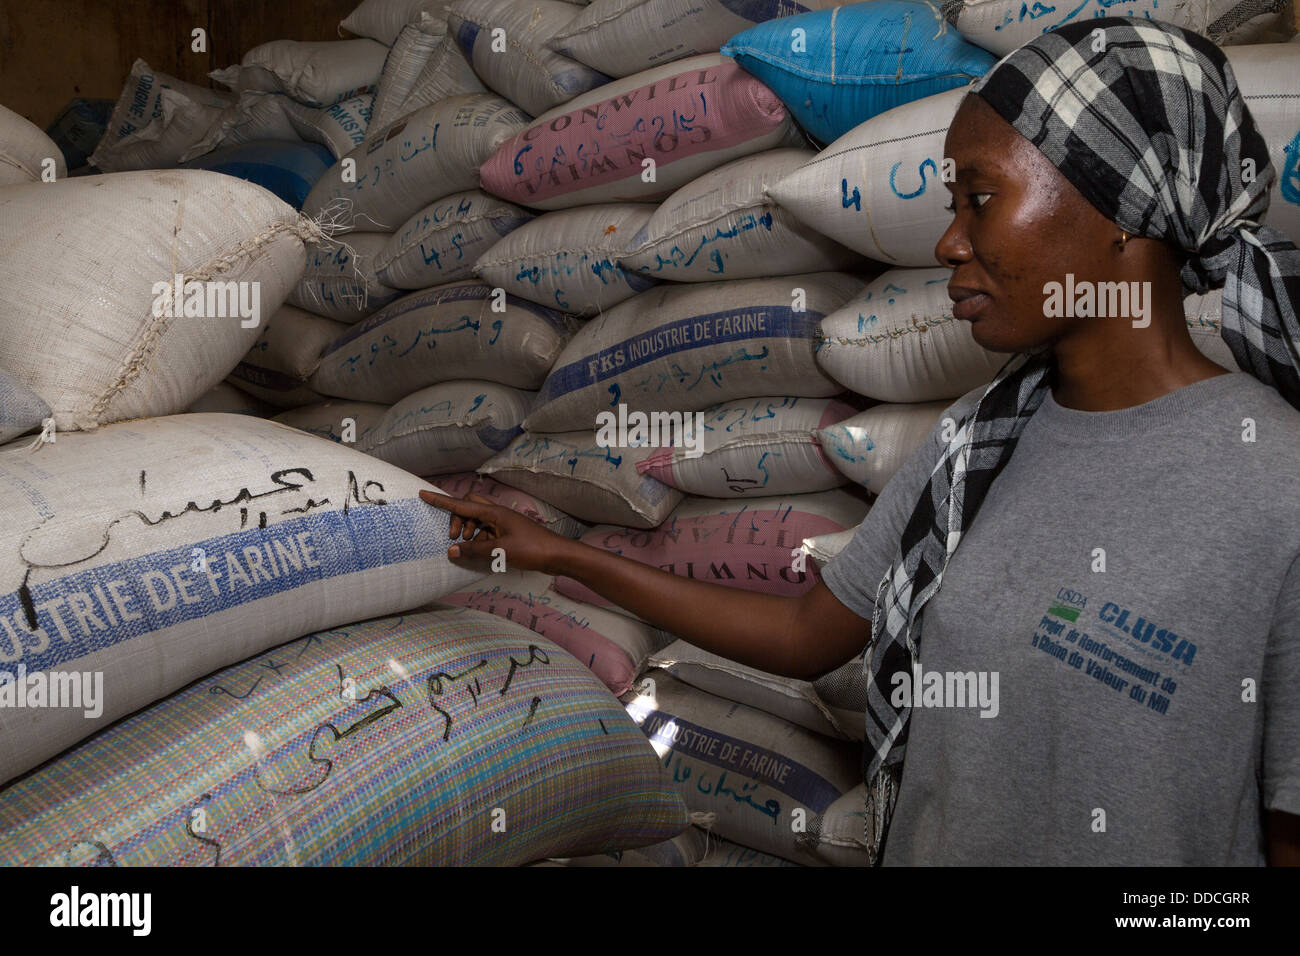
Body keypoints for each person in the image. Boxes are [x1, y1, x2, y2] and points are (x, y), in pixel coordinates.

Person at [422, 17, 1300, 866]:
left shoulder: (1276, 485)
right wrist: (560, 553)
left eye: (982, 199)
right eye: (952, 204)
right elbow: (811, 633)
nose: (951, 240)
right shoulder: (979, 444)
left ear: (1123, 204)